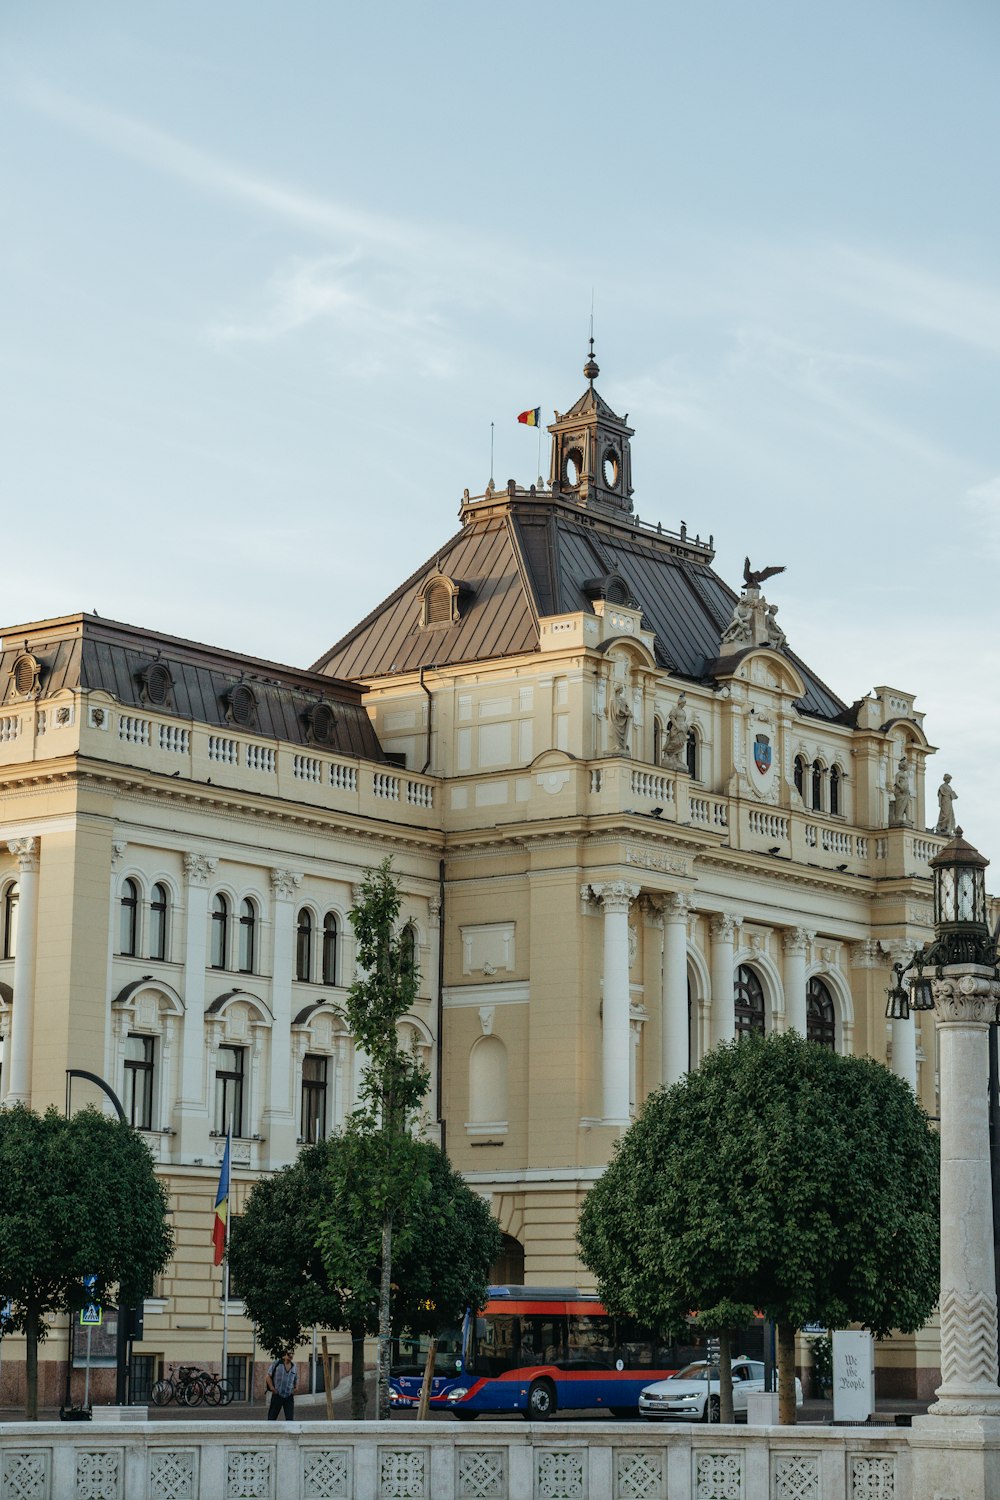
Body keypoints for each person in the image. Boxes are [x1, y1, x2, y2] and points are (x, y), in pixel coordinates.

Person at [265, 1350, 298, 1421]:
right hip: (277, 1395)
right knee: (272, 1418)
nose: (291, 1356)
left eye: (292, 1354)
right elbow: (268, 1376)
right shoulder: (277, 1364)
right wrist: (272, 1388)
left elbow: (295, 1379)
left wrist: (295, 1388)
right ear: (284, 1355)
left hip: (288, 1396)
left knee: (290, 1419)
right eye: (289, 1354)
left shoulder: (294, 1367)